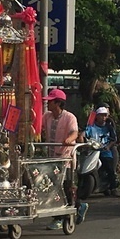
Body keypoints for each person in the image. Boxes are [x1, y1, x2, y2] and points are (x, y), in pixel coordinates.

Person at [43, 88, 85, 228]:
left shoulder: (69, 117)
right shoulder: (47, 116)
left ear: (58, 103)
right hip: (51, 158)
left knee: (65, 187)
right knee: (53, 187)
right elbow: (39, 128)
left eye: (51, 102)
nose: (48, 104)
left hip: (65, 158)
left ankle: (62, 217)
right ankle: (77, 206)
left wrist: (69, 139)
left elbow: (74, 132)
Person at [84, 106, 120, 196]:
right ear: (97, 116)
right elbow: (85, 134)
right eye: (101, 115)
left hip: (105, 151)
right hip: (93, 151)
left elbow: (113, 139)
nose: (103, 118)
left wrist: (108, 146)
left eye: (105, 115)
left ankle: (113, 188)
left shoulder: (109, 127)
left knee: (110, 168)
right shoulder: (91, 127)